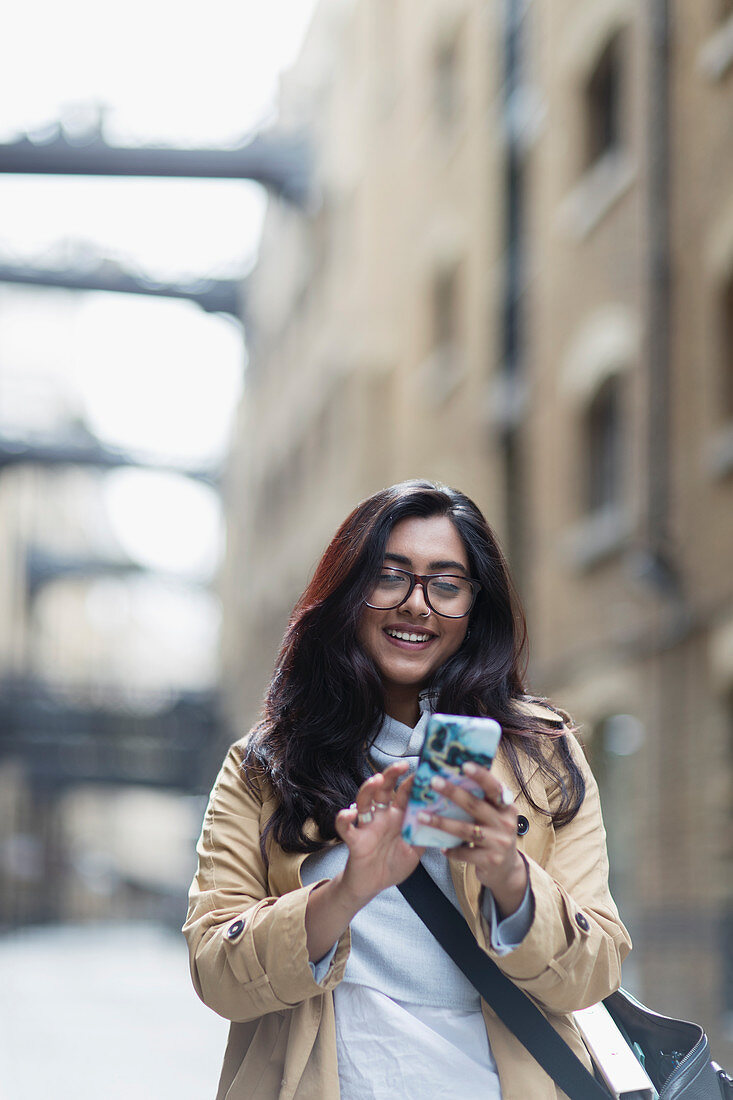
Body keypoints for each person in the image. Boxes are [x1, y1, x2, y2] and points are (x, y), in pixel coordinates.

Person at [184, 480, 631, 1100]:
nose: (418, 605)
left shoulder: (538, 753)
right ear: (347, 592)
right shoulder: (267, 763)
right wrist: (347, 891)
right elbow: (216, 971)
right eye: (390, 576)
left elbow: (596, 969)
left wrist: (509, 877)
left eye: (446, 584)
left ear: (476, 608)